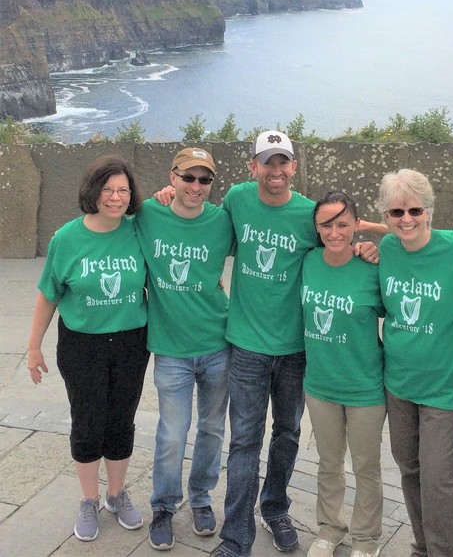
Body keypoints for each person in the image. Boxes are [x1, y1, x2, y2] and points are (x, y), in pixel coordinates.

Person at [211, 131, 381, 557]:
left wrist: (366, 244)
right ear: (252, 167)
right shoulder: (236, 199)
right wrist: (167, 195)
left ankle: (275, 508)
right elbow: (203, 222)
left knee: (287, 434)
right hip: (247, 345)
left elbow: (339, 233)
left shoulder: (309, 213)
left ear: (294, 167)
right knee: (245, 440)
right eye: (267, 162)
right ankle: (236, 539)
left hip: (296, 350)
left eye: (283, 161)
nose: (276, 170)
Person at [26, 154, 149, 542]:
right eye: (108, 189)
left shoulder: (139, 229)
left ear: (132, 195)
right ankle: (88, 498)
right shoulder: (67, 238)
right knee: (87, 420)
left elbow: (178, 212)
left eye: (123, 190)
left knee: (121, 419)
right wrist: (33, 348)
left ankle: (116, 493)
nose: (115, 197)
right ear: (92, 192)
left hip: (132, 341)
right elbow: (48, 294)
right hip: (82, 345)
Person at [134, 147, 235, 550]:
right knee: (173, 433)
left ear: (212, 185)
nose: (196, 186)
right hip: (172, 349)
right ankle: (163, 506)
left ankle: (201, 498)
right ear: (172, 177)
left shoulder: (223, 222)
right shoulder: (147, 213)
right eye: (188, 177)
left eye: (204, 179)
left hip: (217, 343)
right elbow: (103, 220)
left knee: (212, 429)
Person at [376, 169, 453, 557]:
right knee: (410, 470)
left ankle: (444, 551)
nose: (406, 220)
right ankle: (423, 545)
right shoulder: (385, 249)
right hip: (398, 383)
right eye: (396, 212)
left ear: (430, 210)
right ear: (385, 216)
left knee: (439, 480)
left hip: (444, 389)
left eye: (415, 210)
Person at [302, 191, 386, 557]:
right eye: (326, 224)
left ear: (356, 225)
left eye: (342, 224)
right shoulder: (307, 262)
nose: (334, 232)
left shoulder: (372, 266)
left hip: (365, 386)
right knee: (329, 462)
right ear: (316, 228)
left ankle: (366, 540)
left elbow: (416, 236)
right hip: (320, 384)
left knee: (367, 466)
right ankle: (330, 527)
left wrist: (377, 242)